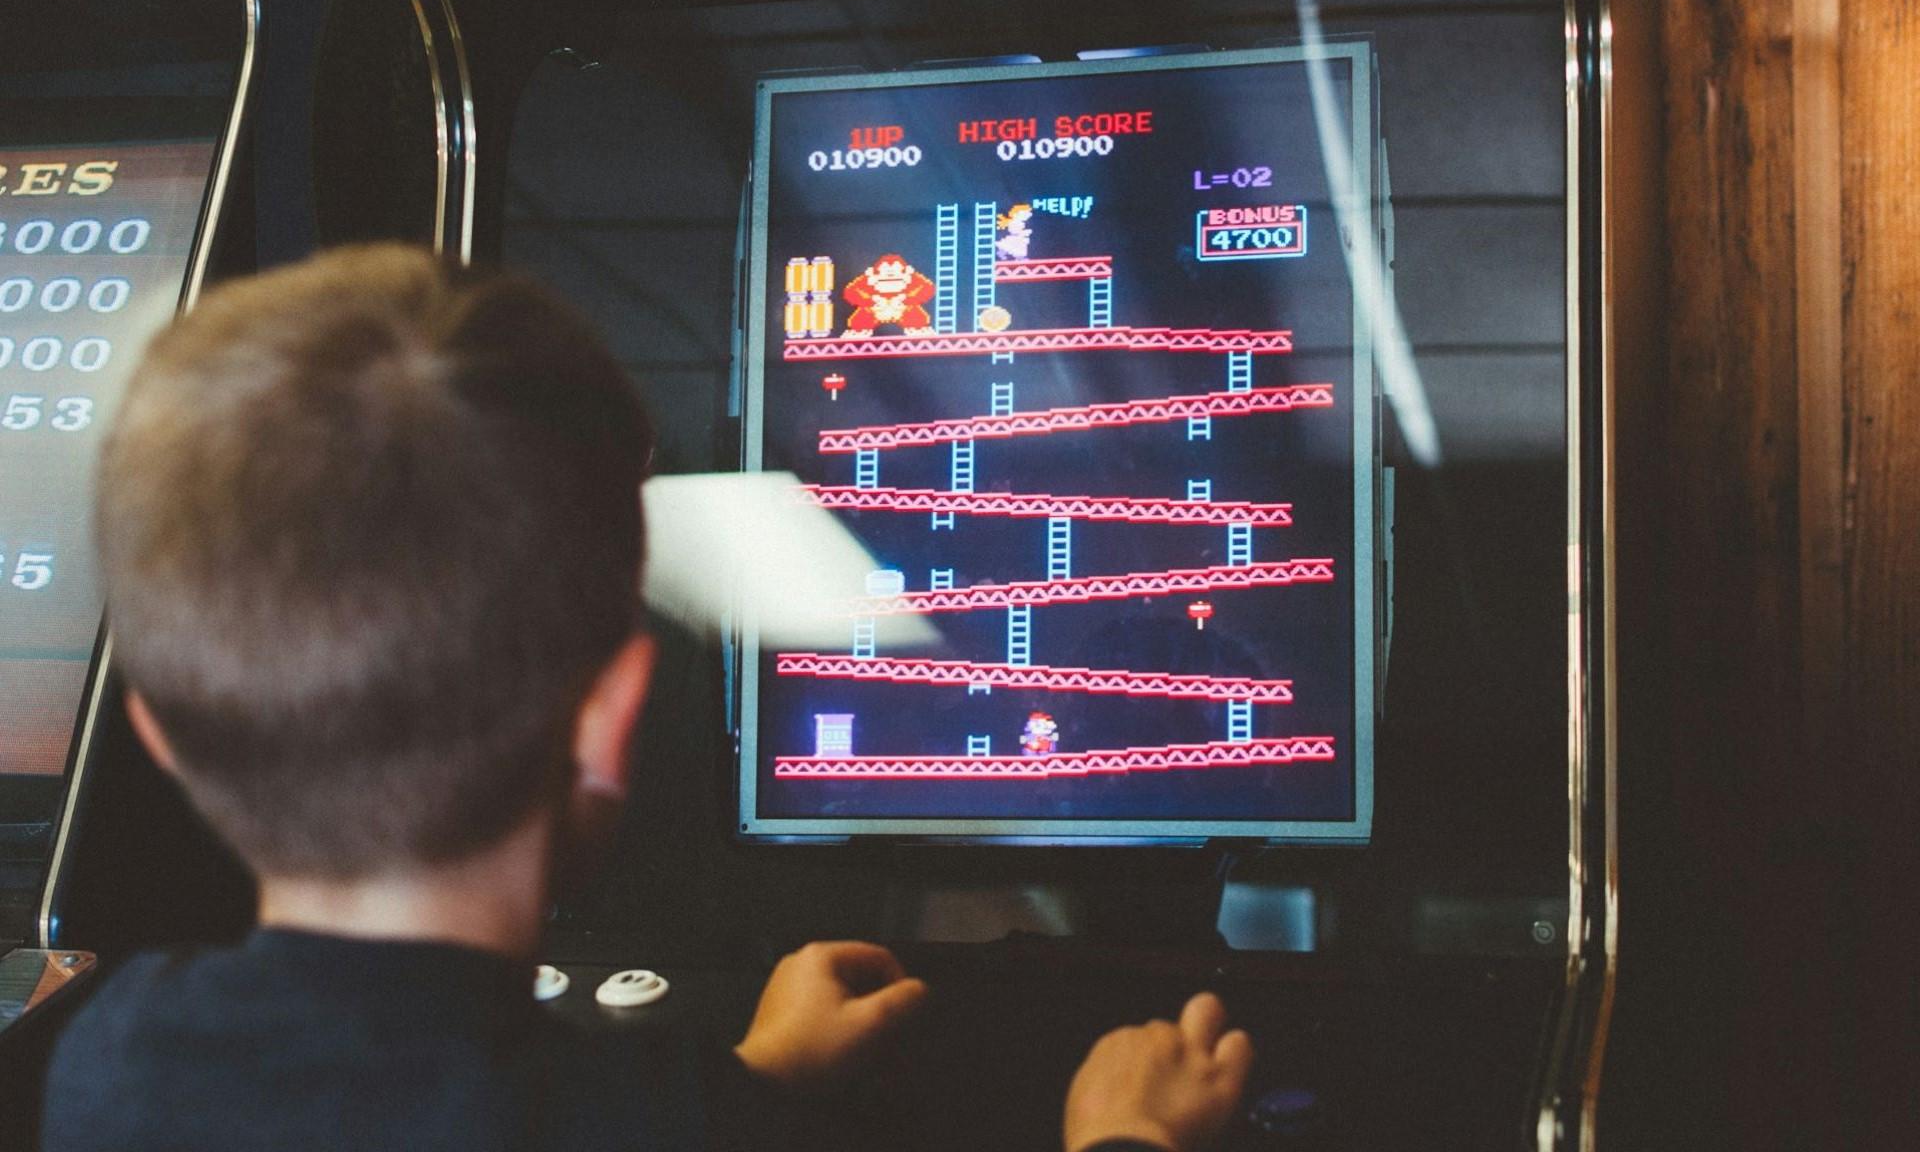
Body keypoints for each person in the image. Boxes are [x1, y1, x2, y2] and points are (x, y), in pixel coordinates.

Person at [42, 244, 1253, 1152]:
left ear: (159, 730)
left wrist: (758, 1076)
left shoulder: (105, 1050)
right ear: (606, 721)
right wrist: (1125, 1134)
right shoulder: (665, 1121)